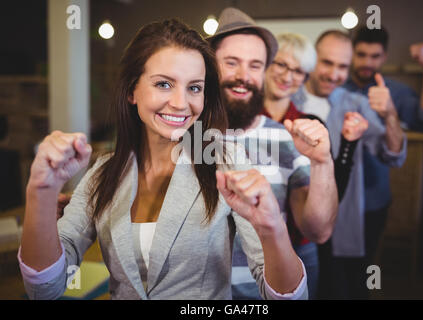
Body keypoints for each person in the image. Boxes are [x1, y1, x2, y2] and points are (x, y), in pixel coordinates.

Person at [18, 19, 307, 300]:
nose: (181, 103)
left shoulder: (225, 158)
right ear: (132, 90)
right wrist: (41, 193)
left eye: (194, 87)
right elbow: (45, 289)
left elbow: (286, 296)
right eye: (164, 84)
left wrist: (273, 227)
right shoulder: (103, 173)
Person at [208, 8, 338, 300]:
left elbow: (317, 231)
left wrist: (321, 162)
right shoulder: (183, 137)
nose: (243, 76)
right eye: (231, 62)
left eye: (255, 65)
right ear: (208, 65)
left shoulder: (285, 137)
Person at [291, 30, 407, 299]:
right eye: (327, 63)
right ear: (312, 59)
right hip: (290, 224)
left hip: (338, 221)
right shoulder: (288, 96)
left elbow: (394, 155)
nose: (334, 74)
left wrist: (390, 113)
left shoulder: (356, 104)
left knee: (340, 290)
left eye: (342, 66)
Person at [262, 32, 369, 298]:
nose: (288, 77)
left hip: (301, 245)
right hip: (250, 245)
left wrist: (347, 143)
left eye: (298, 71)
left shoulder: (309, 124)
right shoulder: (243, 120)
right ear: (266, 64)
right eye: (282, 65)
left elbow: (334, 194)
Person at [342, 26, 423, 270]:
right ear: (351, 53)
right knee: (330, 272)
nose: (367, 62)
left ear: (384, 56)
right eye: (361, 54)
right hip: (335, 198)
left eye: (374, 56)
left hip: (373, 198)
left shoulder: (393, 92)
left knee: (362, 272)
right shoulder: (336, 84)